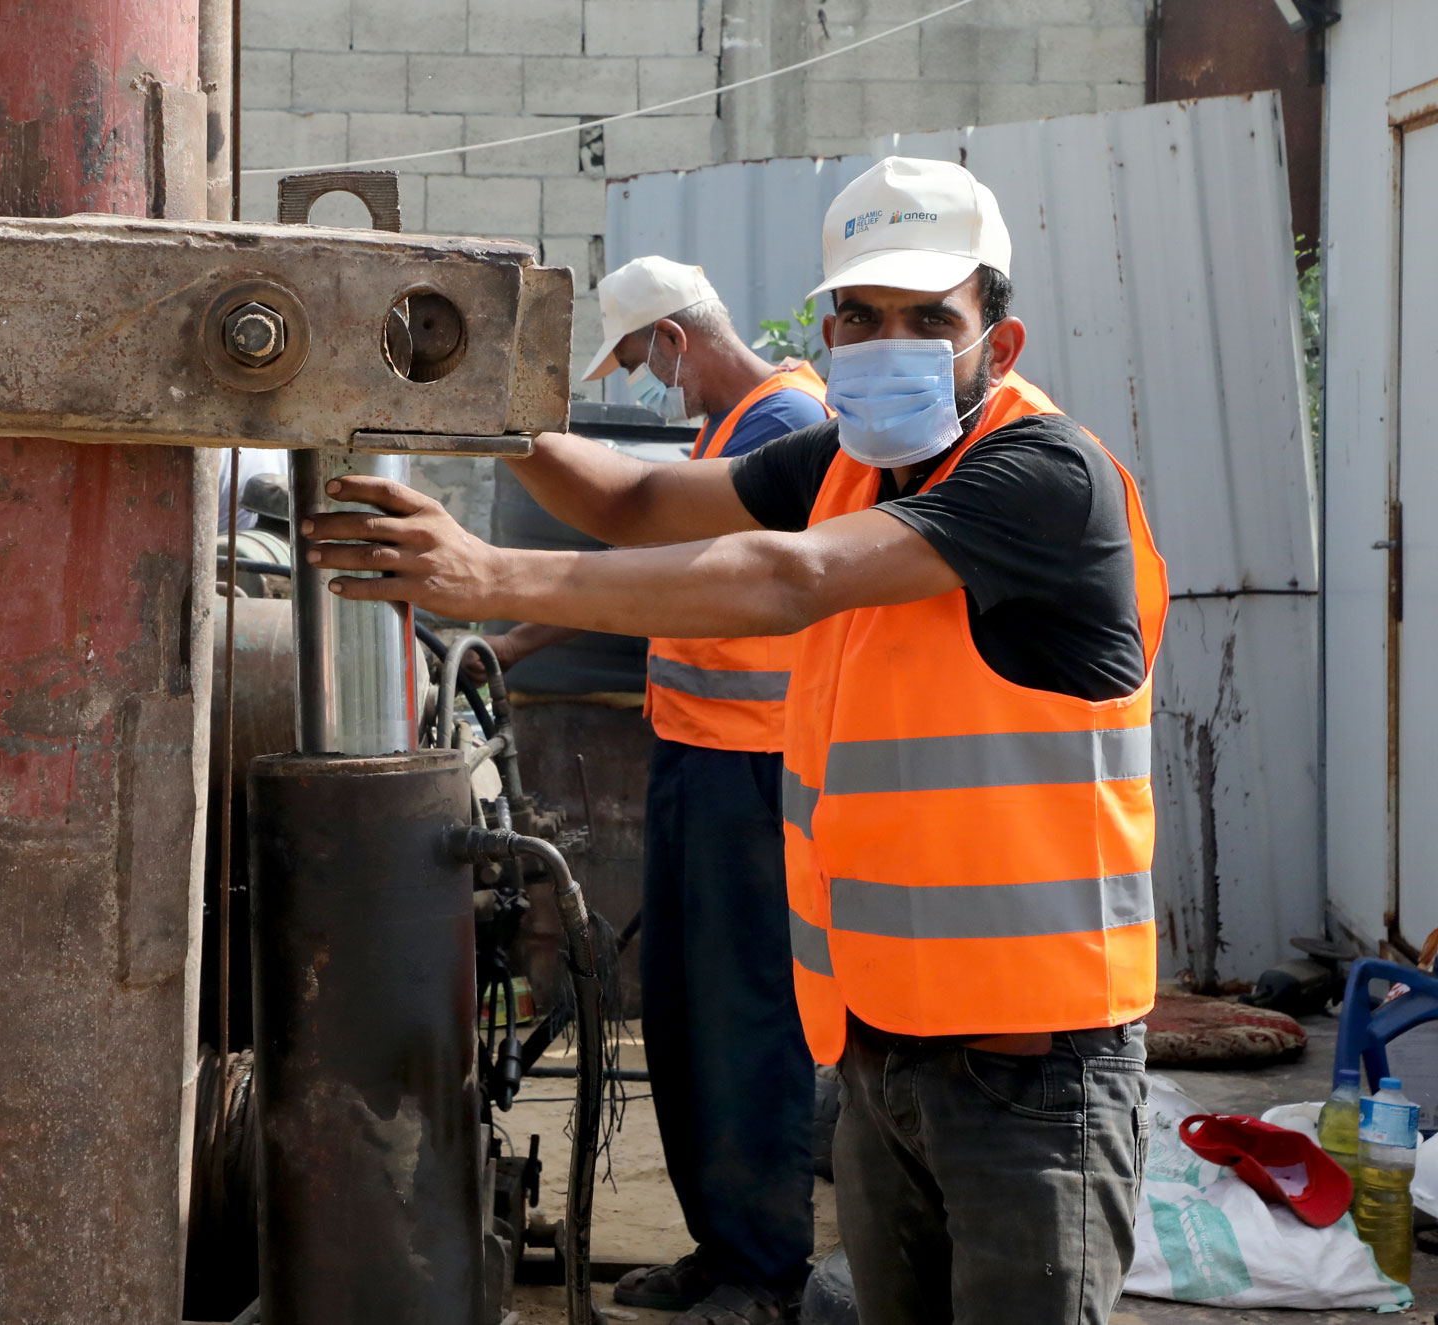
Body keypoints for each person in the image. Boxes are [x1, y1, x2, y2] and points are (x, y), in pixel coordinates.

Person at [301, 156, 1165, 1325]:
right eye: (857, 315)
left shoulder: (1040, 475)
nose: (882, 342)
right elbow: (630, 506)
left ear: (994, 345)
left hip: (1031, 1070)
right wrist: (473, 385)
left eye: (928, 320)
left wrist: (487, 572)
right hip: (881, 1055)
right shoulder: (847, 464)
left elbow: (788, 578)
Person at [478, 255, 830, 1323]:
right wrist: (509, 640)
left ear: (676, 338)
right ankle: (717, 1247)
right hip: (695, 753)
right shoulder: (727, 437)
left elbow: (698, 578)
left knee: (745, 1018)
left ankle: (764, 1271)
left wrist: (503, 600)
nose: (644, 382)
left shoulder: (784, 431)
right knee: (680, 1015)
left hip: (756, 764)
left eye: (638, 359)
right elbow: (641, 579)